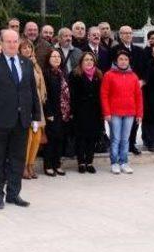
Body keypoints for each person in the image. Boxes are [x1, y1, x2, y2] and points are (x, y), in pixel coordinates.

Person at [0, 29, 42, 210]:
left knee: (17, 159)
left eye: (15, 41)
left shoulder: (26, 63)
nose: (13, 44)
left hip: (21, 121)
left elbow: (32, 92)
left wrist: (36, 116)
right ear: (2, 42)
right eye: (9, 41)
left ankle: (14, 194)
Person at [101, 51, 143, 175]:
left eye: (126, 59)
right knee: (116, 139)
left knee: (125, 139)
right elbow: (104, 95)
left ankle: (124, 162)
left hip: (130, 112)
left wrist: (139, 114)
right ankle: (114, 162)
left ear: (129, 61)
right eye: (121, 59)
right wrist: (106, 112)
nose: (123, 61)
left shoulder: (133, 76)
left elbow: (138, 96)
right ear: (116, 61)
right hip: (114, 113)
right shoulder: (109, 75)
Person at [111, 25, 145, 155]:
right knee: (119, 125)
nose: (128, 35)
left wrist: (142, 80)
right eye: (125, 33)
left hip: (136, 87)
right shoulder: (114, 50)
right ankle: (118, 148)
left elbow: (145, 68)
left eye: (130, 33)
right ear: (120, 35)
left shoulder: (139, 50)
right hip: (120, 89)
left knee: (134, 120)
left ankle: (131, 143)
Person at [69, 52, 103, 174]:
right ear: (81, 62)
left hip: (95, 111)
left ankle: (90, 162)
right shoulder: (75, 74)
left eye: (91, 60)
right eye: (86, 60)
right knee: (81, 138)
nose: (89, 62)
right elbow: (71, 95)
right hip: (80, 111)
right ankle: (81, 162)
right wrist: (72, 111)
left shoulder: (99, 75)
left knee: (92, 138)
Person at [18, 39, 46, 179]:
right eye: (24, 48)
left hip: (37, 104)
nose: (27, 50)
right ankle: (22, 166)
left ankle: (31, 165)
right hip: (25, 104)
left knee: (37, 137)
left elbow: (41, 84)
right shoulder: (19, 64)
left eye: (29, 47)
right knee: (27, 138)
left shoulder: (35, 65)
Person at [42, 49, 69, 177]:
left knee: (60, 139)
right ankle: (48, 165)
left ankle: (57, 164)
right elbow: (44, 95)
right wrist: (48, 112)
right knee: (50, 140)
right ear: (48, 58)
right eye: (53, 56)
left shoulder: (62, 73)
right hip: (51, 112)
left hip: (62, 111)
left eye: (58, 56)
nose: (57, 58)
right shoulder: (46, 73)